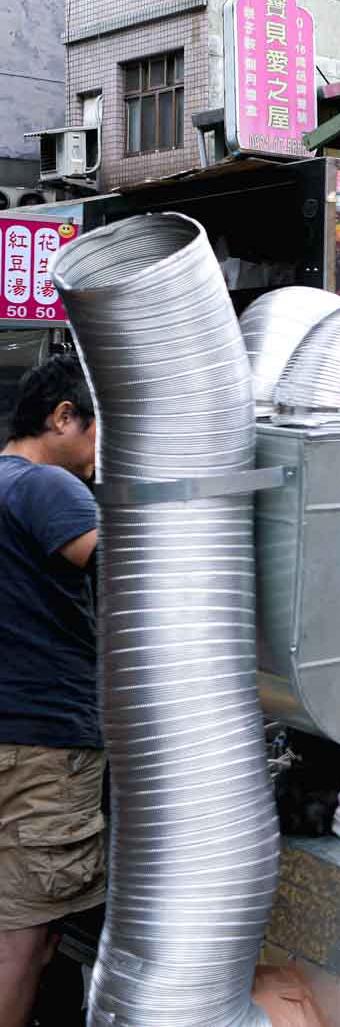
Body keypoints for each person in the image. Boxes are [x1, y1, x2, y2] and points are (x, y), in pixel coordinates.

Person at [0, 357, 104, 1026]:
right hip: (44, 745)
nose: (103, 454)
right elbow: (138, 575)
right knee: (26, 930)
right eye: (102, 432)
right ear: (62, 418)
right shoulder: (50, 487)